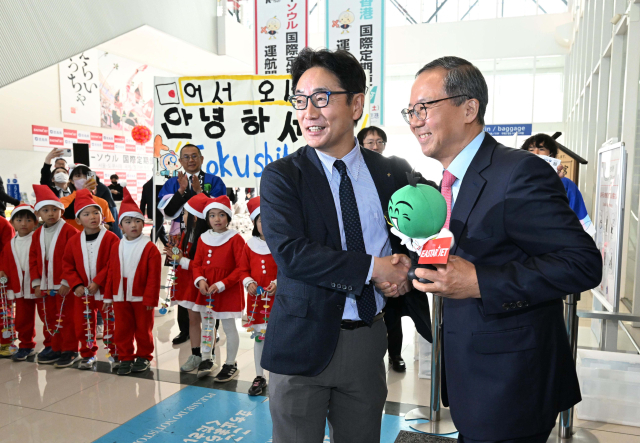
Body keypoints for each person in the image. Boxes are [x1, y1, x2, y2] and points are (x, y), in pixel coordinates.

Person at [402, 56, 602, 443]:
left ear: (469, 108)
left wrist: (481, 282)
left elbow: (581, 263)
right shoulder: (447, 184)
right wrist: (414, 268)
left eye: (424, 107)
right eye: (410, 110)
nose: (414, 120)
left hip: (513, 385)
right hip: (473, 378)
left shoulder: (518, 172)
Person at [259, 48, 431, 443]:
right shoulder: (283, 177)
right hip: (301, 343)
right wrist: (376, 269)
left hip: (367, 341)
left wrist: (406, 268)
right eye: (300, 101)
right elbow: (292, 254)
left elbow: (423, 231)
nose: (309, 112)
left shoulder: (392, 171)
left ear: (356, 104)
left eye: (321, 98)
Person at [158, 144, 226, 345]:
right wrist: (180, 191)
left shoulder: (214, 181)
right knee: (182, 280)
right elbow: (168, 212)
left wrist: (198, 193)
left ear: (202, 158)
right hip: (179, 237)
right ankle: (185, 329)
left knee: (209, 278)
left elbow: (220, 210)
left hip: (209, 237)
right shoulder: (172, 183)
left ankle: (212, 327)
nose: (190, 160)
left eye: (194, 156)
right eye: (186, 157)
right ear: (180, 161)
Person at [105, 188, 161, 375]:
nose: (134, 225)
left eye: (137, 221)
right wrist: (108, 296)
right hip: (120, 296)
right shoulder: (116, 246)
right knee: (122, 328)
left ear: (143, 224)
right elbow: (111, 272)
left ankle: (144, 356)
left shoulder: (150, 247)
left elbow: (154, 276)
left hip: (141, 297)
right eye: (128, 222)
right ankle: (125, 356)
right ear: (120, 226)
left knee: (143, 329)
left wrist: (151, 299)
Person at [62, 189, 119, 370]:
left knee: (111, 323)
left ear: (102, 216)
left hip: (105, 291)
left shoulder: (111, 238)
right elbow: (67, 265)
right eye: (86, 214)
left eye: (96, 212)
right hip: (83, 293)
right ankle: (87, 354)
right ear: (78, 220)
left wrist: (98, 281)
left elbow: (113, 262)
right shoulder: (73, 241)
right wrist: (76, 284)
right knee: (83, 324)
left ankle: (115, 353)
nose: (92, 217)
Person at [192, 195, 245, 381]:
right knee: (207, 325)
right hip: (207, 291)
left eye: (221, 214)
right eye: (212, 215)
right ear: (207, 219)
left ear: (228, 218)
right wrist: (199, 280)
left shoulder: (236, 239)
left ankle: (230, 363)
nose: (217, 219)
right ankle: (207, 358)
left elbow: (241, 268)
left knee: (229, 328)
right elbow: (196, 263)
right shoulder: (203, 238)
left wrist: (222, 284)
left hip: (227, 291)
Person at [29, 185, 79, 367]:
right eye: (45, 210)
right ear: (39, 214)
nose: (50, 213)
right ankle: (53, 346)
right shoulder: (37, 233)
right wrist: (36, 282)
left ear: (61, 210)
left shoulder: (70, 231)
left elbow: (74, 258)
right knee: (48, 317)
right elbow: (33, 258)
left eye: (54, 209)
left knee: (65, 316)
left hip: (64, 284)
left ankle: (70, 349)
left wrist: (67, 281)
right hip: (45, 284)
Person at [166, 193, 211, 373]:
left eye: (184, 213)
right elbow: (183, 257)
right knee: (193, 320)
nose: (182, 216)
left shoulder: (207, 238)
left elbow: (205, 267)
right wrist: (174, 253)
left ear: (194, 216)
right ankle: (196, 354)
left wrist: (182, 259)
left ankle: (208, 355)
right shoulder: (185, 234)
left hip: (204, 285)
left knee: (207, 321)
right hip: (187, 283)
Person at [521, 133, 595, 236]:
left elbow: (579, 216)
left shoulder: (566, 184)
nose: (536, 153)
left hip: (557, 238)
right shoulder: (517, 181)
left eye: (541, 149)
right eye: (531, 149)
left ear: (551, 154)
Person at [239, 197, 277, 395]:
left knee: (277, 336)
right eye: (261, 220)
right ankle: (259, 375)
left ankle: (279, 375)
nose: (266, 224)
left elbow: (287, 270)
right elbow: (242, 270)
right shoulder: (249, 245)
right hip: (256, 302)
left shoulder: (281, 244)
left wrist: (278, 284)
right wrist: (248, 282)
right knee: (259, 338)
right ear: (255, 223)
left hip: (278, 301)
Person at [0, 204, 39, 361]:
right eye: (19, 220)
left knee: (48, 317)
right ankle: (26, 345)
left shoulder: (38, 239)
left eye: (29, 220)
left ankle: (54, 345)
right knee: (22, 318)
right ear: (13, 222)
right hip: (20, 286)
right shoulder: (11, 243)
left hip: (39, 284)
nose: (24, 224)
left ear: (35, 222)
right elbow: (5, 260)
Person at [60, 165, 116, 232]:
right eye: (78, 176)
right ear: (71, 181)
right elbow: (68, 215)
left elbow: (109, 227)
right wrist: (83, 192)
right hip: (73, 238)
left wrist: (99, 224)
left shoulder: (102, 202)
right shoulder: (64, 200)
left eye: (86, 176)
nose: (83, 178)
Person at [140, 177, 168, 246]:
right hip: (160, 211)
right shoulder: (160, 184)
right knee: (156, 229)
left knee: (161, 230)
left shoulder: (146, 185)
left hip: (151, 211)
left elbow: (143, 201)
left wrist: (141, 214)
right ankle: (151, 246)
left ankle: (167, 245)